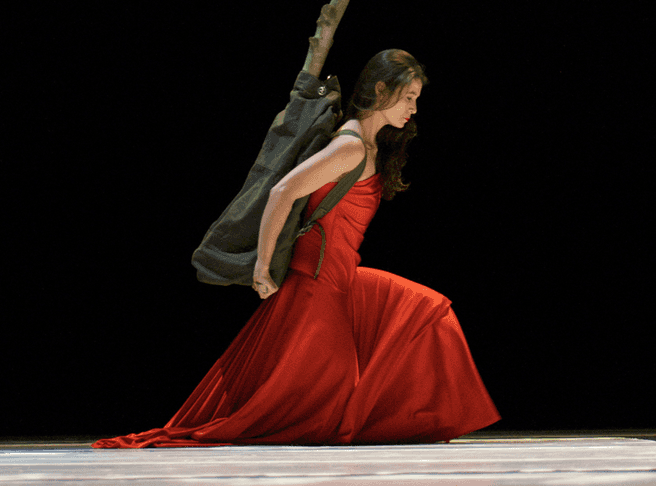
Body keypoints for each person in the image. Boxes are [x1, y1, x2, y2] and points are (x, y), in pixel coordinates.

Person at [93, 49, 500, 447]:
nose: (413, 108)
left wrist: (321, 38)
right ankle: (399, 419)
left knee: (426, 310)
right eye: (408, 97)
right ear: (381, 89)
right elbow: (282, 191)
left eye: (416, 99)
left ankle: (416, 417)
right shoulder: (351, 146)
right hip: (318, 282)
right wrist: (262, 267)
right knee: (328, 399)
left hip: (343, 277)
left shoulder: (369, 145)